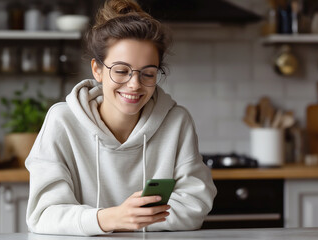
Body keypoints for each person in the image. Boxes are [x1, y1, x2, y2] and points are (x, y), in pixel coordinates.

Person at [26, 0, 216, 236]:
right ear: (97, 70)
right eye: (121, 71)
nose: (135, 85)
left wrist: (129, 220)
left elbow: (194, 206)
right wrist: (111, 218)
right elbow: (43, 215)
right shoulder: (62, 121)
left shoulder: (177, 122)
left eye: (148, 73)